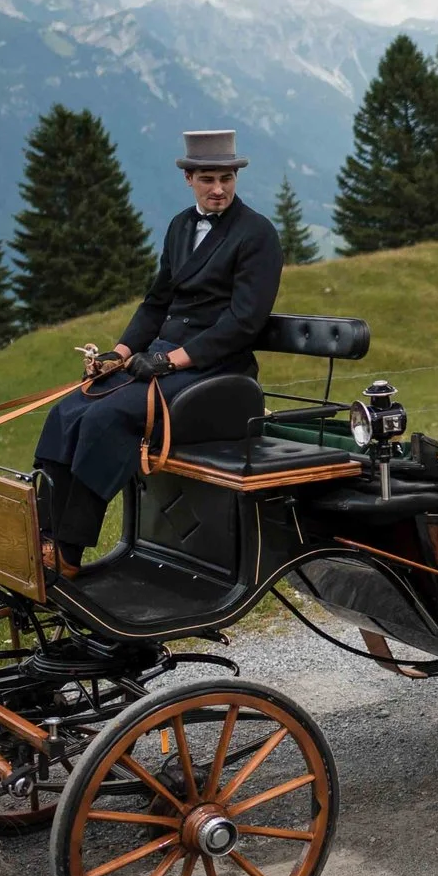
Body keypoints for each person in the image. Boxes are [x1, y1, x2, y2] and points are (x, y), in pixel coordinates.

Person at [33, 130, 282, 573]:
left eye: (226, 178)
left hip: (217, 372)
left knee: (105, 418)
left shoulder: (257, 234)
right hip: (164, 359)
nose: (219, 188)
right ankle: (41, 530)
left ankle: (67, 551)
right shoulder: (181, 226)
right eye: (207, 178)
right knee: (69, 409)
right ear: (188, 178)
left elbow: (243, 324)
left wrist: (170, 360)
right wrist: (119, 353)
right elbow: (156, 302)